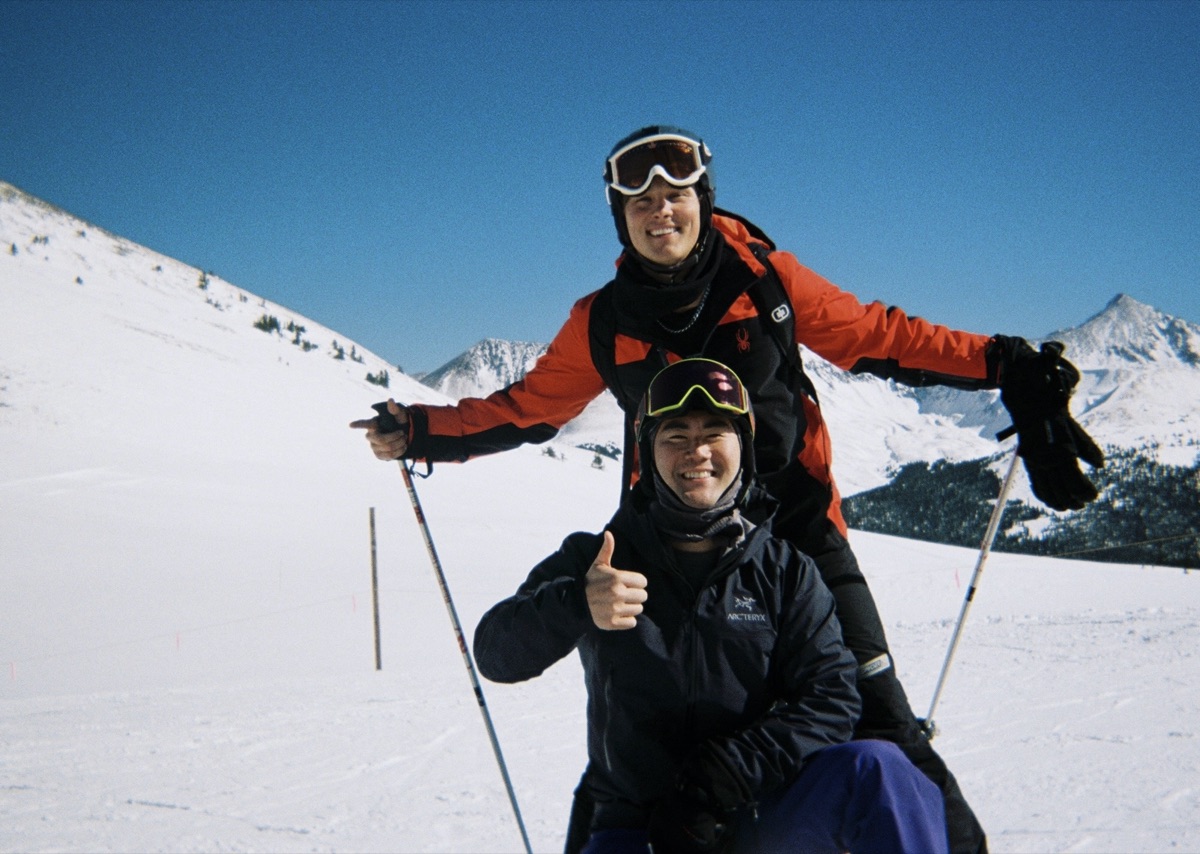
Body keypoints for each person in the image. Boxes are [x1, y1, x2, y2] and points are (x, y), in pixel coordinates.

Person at [351, 125, 1105, 853]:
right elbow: (529, 408)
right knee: (635, 726)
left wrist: (1005, 365)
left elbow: (879, 336)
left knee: (880, 723)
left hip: (800, 529)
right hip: (667, 533)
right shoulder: (604, 321)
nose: (659, 210)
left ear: (703, 200)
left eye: (675, 193)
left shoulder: (766, 280)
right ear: (620, 218)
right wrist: (421, 431)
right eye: (638, 201)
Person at [473, 358, 949, 853]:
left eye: (714, 433)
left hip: (760, 810)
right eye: (674, 435)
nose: (695, 451)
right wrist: (575, 603)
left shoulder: (786, 571)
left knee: (879, 770)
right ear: (648, 453)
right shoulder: (595, 559)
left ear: (742, 447)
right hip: (638, 824)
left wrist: (724, 776)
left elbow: (832, 698)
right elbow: (494, 654)